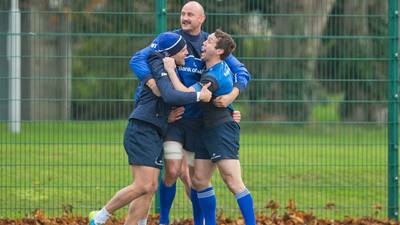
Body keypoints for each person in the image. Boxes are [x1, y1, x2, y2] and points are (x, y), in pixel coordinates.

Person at [129, 1, 250, 224]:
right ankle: (163, 219)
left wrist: (232, 96)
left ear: (201, 19)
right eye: (183, 13)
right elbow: (137, 58)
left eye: (190, 14)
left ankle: (200, 221)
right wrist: (151, 82)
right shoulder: (171, 40)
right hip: (175, 119)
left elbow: (241, 71)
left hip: (200, 122)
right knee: (173, 171)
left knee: (196, 179)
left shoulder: (211, 44)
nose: (185, 18)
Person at [88, 32, 212, 225]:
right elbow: (171, 96)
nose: (187, 53)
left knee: (150, 187)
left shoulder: (171, 67)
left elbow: (173, 94)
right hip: (142, 130)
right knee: (143, 185)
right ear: (172, 52)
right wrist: (198, 96)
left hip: (154, 130)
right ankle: (99, 217)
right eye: (183, 49)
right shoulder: (158, 63)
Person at [164, 29, 256, 225]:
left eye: (209, 42)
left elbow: (187, 93)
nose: (203, 44)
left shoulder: (213, 76)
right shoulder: (214, 68)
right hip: (207, 129)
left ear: (220, 51)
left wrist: (171, 70)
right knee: (198, 180)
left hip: (221, 130)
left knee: (233, 181)